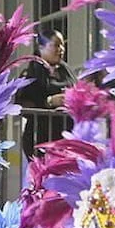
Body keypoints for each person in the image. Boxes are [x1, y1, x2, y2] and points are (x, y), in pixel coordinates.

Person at [17, 29, 76, 160]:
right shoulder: (29, 74)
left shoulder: (66, 72)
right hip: (41, 137)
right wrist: (49, 102)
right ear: (41, 48)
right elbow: (22, 106)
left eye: (62, 45)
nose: (61, 49)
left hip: (66, 136)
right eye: (56, 45)